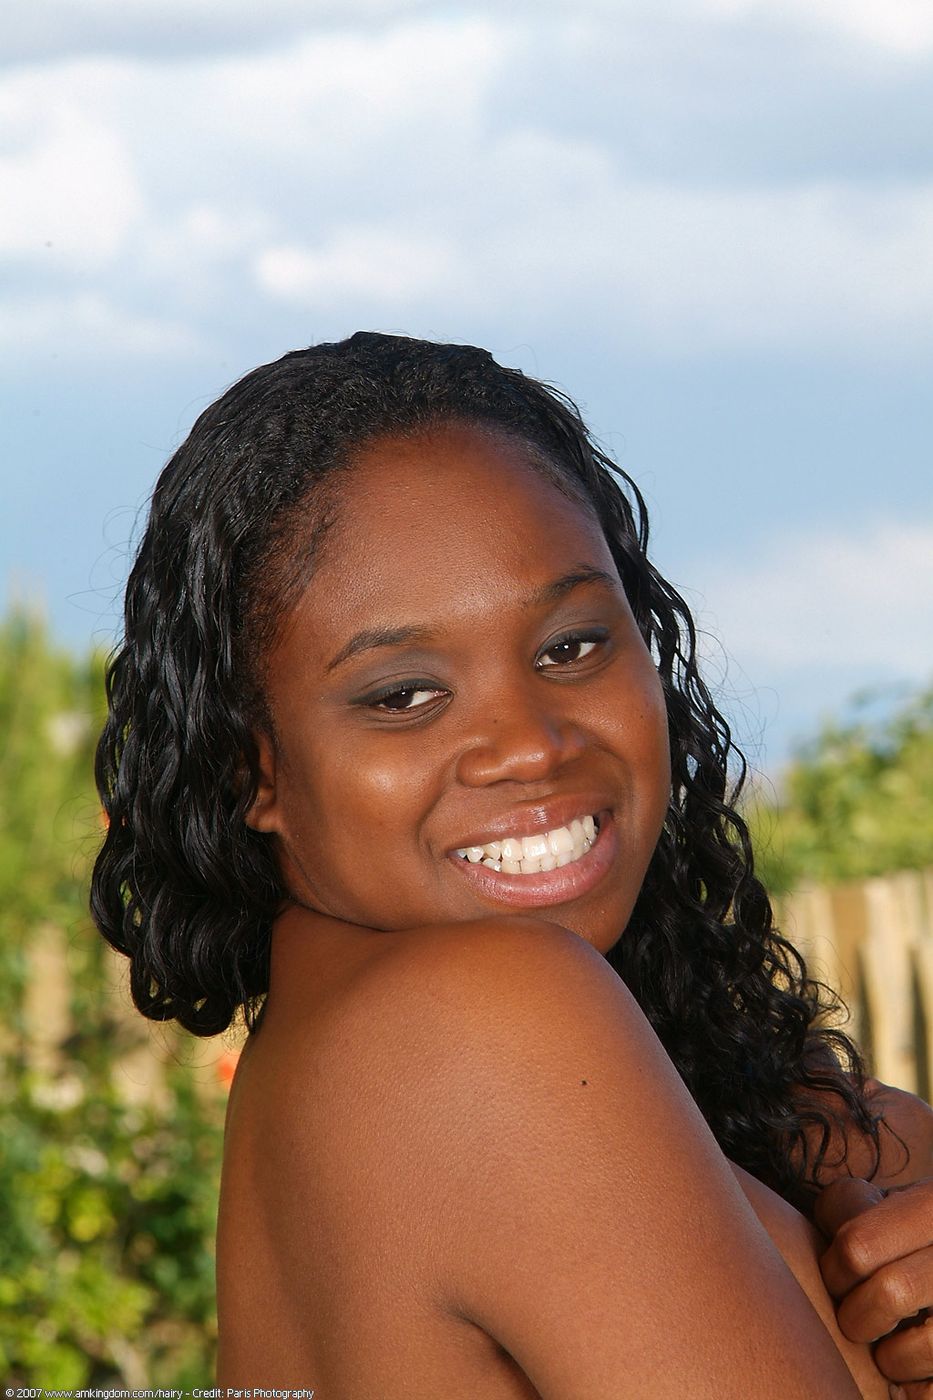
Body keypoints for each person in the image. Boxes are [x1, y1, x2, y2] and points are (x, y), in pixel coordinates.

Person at [91, 332, 933, 1397]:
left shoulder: (371, 1056)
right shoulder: (483, 1025)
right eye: (404, 694)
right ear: (250, 768)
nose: (531, 745)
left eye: (570, 647)